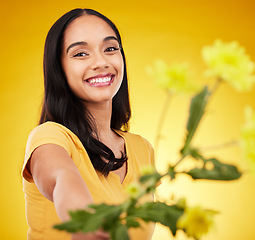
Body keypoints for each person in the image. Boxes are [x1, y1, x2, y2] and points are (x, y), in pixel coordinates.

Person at [21, 8, 156, 240]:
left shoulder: (143, 149)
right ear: (59, 69)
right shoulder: (50, 138)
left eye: (110, 49)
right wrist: (86, 224)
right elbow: (63, 180)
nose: (101, 62)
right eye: (81, 54)